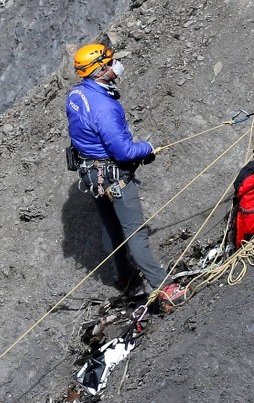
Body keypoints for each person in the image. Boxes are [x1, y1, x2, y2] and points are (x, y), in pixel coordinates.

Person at [66, 42, 187, 309]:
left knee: (111, 225)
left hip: (91, 174)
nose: (115, 66)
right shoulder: (105, 109)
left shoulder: (76, 96)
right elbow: (123, 151)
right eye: (110, 62)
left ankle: (124, 277)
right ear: (99, 69)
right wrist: (147, 148)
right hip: (113, 175)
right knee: (135, 232)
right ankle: (163, 288)